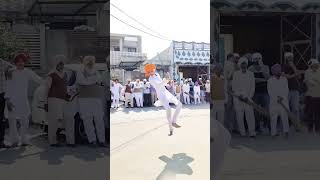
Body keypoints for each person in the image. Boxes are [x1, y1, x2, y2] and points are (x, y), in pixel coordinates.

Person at [5, 53, 43, 147]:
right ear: (16, 63)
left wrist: (49, 80)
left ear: (25, 62)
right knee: (12, 121)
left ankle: (24, 139)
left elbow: (38, 79)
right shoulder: (11, 72)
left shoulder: (28, 72)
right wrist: (8, 100)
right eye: (18, 62)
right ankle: (14, 140)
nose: (20, 63)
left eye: (22, 62)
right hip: (12, 100)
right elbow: (7, 86)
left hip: (23, 100)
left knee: (25, 120)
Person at [44, 55, 75, 147]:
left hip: (64, 100)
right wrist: (46, 103)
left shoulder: (65, 74)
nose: (61, 66)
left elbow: (65, 87)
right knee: (54, 121)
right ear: (56, 65)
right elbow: (46, 90)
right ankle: (52, 141)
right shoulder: (51, 75)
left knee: (69, 119)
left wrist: (68, 94)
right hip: (53, 99)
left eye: (62, 64)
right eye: (59, 64)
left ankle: (70, 141)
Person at [145, 64, 182, 136]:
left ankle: (173, 122)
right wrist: (165, 80)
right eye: (151, 70)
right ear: (149, 72)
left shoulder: (156, 74)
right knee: (169, 109)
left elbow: (162, 83)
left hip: (166, 92)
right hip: (161, 95)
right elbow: (158, 85)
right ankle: (171, 128)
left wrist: (167, 82)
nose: (153, 70)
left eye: (153, 69)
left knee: (179, 104)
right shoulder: (150, 79)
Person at [76, 56, 105, 147]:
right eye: (88, 61)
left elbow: (100, 80)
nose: (90, 63)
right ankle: (92, 141)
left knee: (99, 120)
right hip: (84, 99)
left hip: (96, 98)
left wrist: (90, 80)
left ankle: (102, 141)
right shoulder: (80, 71)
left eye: (92, 61)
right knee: (87, 120)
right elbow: (82, 81)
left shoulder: (96, 71)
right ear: (84, 62)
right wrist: (94, 80)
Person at [232, 57, 256, 137]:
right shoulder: (236, 74)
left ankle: (252, 132)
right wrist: (240, 96)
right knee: (240, 117)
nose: (244, 65)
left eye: (245, 63)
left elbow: (253, 87)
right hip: (238, 99)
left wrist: (248, 97)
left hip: (248, 99)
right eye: (242, 64)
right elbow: (234, 87)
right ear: (240, 65)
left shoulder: (251, 74)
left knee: (250, 116)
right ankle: (242, 133)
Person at [248, 52, 270, 134]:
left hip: (265, 91)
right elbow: (252, 80)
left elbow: (267, 77)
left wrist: (262, 67)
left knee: (266, 109)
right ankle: (257, 127)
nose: (257, 61)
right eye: (256, 59)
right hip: (255, 92)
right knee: (255, 111)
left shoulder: (265, 67)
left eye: (259, 59)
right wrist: (263, 80)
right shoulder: (250, 68)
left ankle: (267, 126)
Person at [268, 64, 290, 138]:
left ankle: (286, 132)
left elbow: (286, 90)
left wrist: (282, 98)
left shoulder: (284, 79)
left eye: (279, 70)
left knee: (284, 117)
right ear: (273, 72)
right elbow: (270, 92)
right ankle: (273, 133)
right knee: (273, 118)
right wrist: (276, 98)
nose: (278, 71)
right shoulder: (270, 80)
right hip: (274, 102)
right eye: (277, 70)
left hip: (283, 101)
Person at [283, 52, 304, 128]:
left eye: (291, 57)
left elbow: (299, 77)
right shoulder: (283, 67)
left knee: (295, 109)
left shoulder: (295, 66)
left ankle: (297, 125)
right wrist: (295, 74)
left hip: (295, 90)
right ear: (285, 58)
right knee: (286, 108)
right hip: (286, 90)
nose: (290, 58)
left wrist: (293, 67)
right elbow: (287, 77)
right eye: (288, 57)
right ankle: (286, 125)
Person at [304, 59, 320, 133]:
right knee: (310, 112)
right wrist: (315, 81)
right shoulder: (307, 72)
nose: (314, 67)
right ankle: (310, 128)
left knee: (317, 113)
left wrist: (314, 80)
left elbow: (313, 81)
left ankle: (317, 128)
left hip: (318, 95)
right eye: (312, 66)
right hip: (309, 95)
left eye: (316, 65)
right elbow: (308, 82)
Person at [224, 53, 237, 132]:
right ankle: (231, 127)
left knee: (228, 108)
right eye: (234, 58)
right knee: (231, 108)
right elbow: (230, 76)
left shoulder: (225, 64)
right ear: (230, 58)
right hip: (231, 87)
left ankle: (228, 126)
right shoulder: (230, 64)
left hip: (227, 86)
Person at [0, 58, 12, 148]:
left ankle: (1, 141)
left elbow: (13, 68)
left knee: (1, 118)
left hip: (1, 94)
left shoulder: (3, 63)